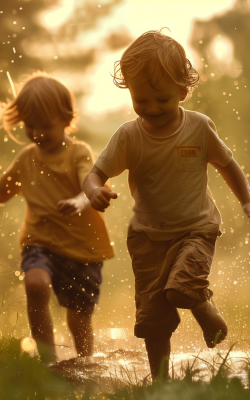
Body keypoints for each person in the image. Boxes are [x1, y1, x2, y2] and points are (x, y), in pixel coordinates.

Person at [83, 30, 250, 380]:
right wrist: (94, 191)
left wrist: (247, 200)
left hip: (197, 229)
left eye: (161, 99)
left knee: (179, 289)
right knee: (151, 316)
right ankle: (161, 382)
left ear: (182, 91)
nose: (152, 109)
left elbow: (227, 165)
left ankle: (202, 304)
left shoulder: (199, 127)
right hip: (146, 238)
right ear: (128, 91)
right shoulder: (129, 135)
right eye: (141, 101)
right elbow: (94, 174)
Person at [0, 72, 114, 362]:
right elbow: (1, 192)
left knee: (78, 318)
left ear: (66, 119)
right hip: (40, 241)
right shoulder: (26, 158)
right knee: (35, 284)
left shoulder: (79, 152)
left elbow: (89, 184)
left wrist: (79, 202)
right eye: (30, 125)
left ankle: (86, 365)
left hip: (83, 248)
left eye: (45, 125)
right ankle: (48, 361)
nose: (37, 132)